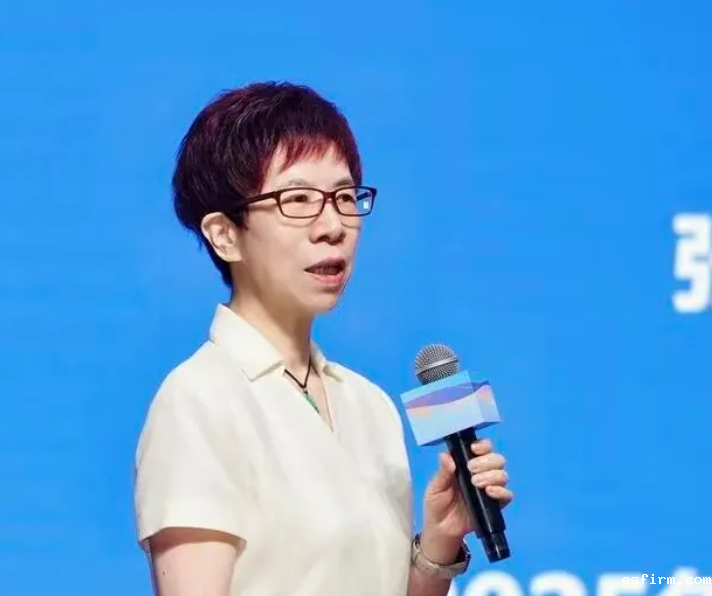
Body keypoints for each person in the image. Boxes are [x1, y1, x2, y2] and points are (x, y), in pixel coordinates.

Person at [133, 81, 513, 596]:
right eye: (298, 200)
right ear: (225, 234)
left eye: (344, 197)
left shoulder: (369, 405)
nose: (333, 225)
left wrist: (441, 540)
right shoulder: (199, 400)